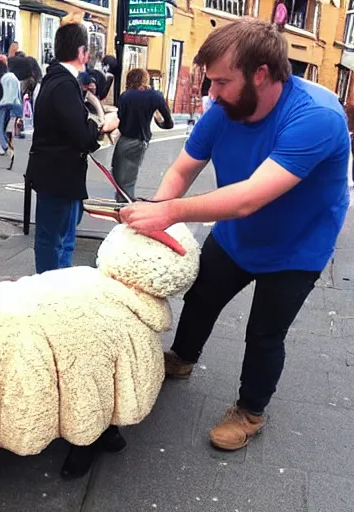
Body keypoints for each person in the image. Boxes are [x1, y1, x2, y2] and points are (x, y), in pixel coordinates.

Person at [120, 19, 350, 451]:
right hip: (235, 235)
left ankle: (250, 411)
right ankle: (183, 357)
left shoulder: (316, 117)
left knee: (265, 332)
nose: (212, 93)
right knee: (202, 296)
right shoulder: (224, 109)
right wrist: (156, 212)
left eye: (222, 81)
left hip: (297, 247)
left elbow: (248, 198)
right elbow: (184, 167)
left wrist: (168, 212)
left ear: (261, 73)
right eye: (210, 81)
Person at [26, 22, 118, 274]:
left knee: (56, 236)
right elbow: (79, 133)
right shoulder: (65, 84)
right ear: (81, 52)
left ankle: (52, 282)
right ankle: (54, 288)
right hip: (60, 176)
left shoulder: (53, 80)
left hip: (53, 174)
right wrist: (102, 127)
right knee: (57, 239)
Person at [111, 68, 173, 202]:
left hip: (124, 139)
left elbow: (120, 116)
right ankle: (124, 204)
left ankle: (124, 206)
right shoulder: (155, 96)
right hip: (140, 140)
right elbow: (168, 122)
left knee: (119, 174)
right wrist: (159, 123)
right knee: (129, 176)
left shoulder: (125, 96)